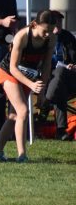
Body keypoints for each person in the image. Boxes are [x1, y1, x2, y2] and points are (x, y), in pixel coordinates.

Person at [0, 10, 57, 163]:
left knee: (15, 116)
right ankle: (22, 155)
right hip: (9, 72)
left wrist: (41, 91)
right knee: (23, 111)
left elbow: (47, 65)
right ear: (34, 25)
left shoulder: (51, 38)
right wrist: (31, 85)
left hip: (29, 77)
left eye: (51, 30)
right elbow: (13, 68)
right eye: (45, 31)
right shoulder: (22, 36)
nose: (48, 34)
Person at [43, 11, 76, 141]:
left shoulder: (68, 38)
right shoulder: (43, 38)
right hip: (47, 77)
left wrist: (73, 66)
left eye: (59, 21)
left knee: (60, 74)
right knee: (59, 86)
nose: (58, 24)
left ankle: (46, 102)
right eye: (55, 21)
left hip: (69, 76)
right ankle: (61, 130)